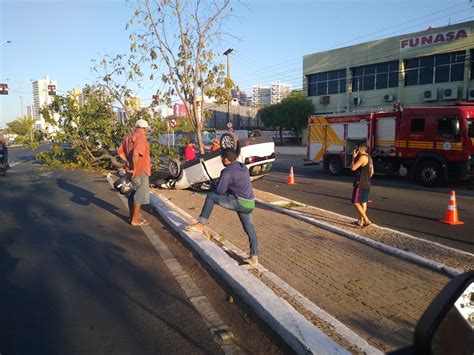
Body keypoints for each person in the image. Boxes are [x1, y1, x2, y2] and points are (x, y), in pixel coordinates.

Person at [185, 148, 259, 266]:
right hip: (250, 203)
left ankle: (201, 224)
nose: (221, 160)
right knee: (249, 229)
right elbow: (233, 185)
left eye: (221, 159)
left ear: (225, 159)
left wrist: (213, 185)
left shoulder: (227, 172)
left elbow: (220, 191)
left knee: (211, 197)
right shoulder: (242, 166)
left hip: (239, 202)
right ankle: (254, 257)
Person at [117, 119, 151, 226]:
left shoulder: (128, 136)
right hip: (140, 170)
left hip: (130, 170)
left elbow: (120, 152)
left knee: (132, 193)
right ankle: (135, 220)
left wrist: (127, 162)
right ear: (144, 128)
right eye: (146, 129)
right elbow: (136, 153)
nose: (146, 131)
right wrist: (135, 169)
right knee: (139, 195)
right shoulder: (141, 137)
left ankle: (132, 216)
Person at [351, 141, 374, 228]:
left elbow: (353, 168)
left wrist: (353, 158)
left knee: (356, 202)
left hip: (360, 184)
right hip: (367, 183)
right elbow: (372, 172)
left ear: (359, 149)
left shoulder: (362, 158)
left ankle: (367, 220)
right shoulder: (370, 158)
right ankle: (361, 221)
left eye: (357, 149)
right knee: (363, 203)